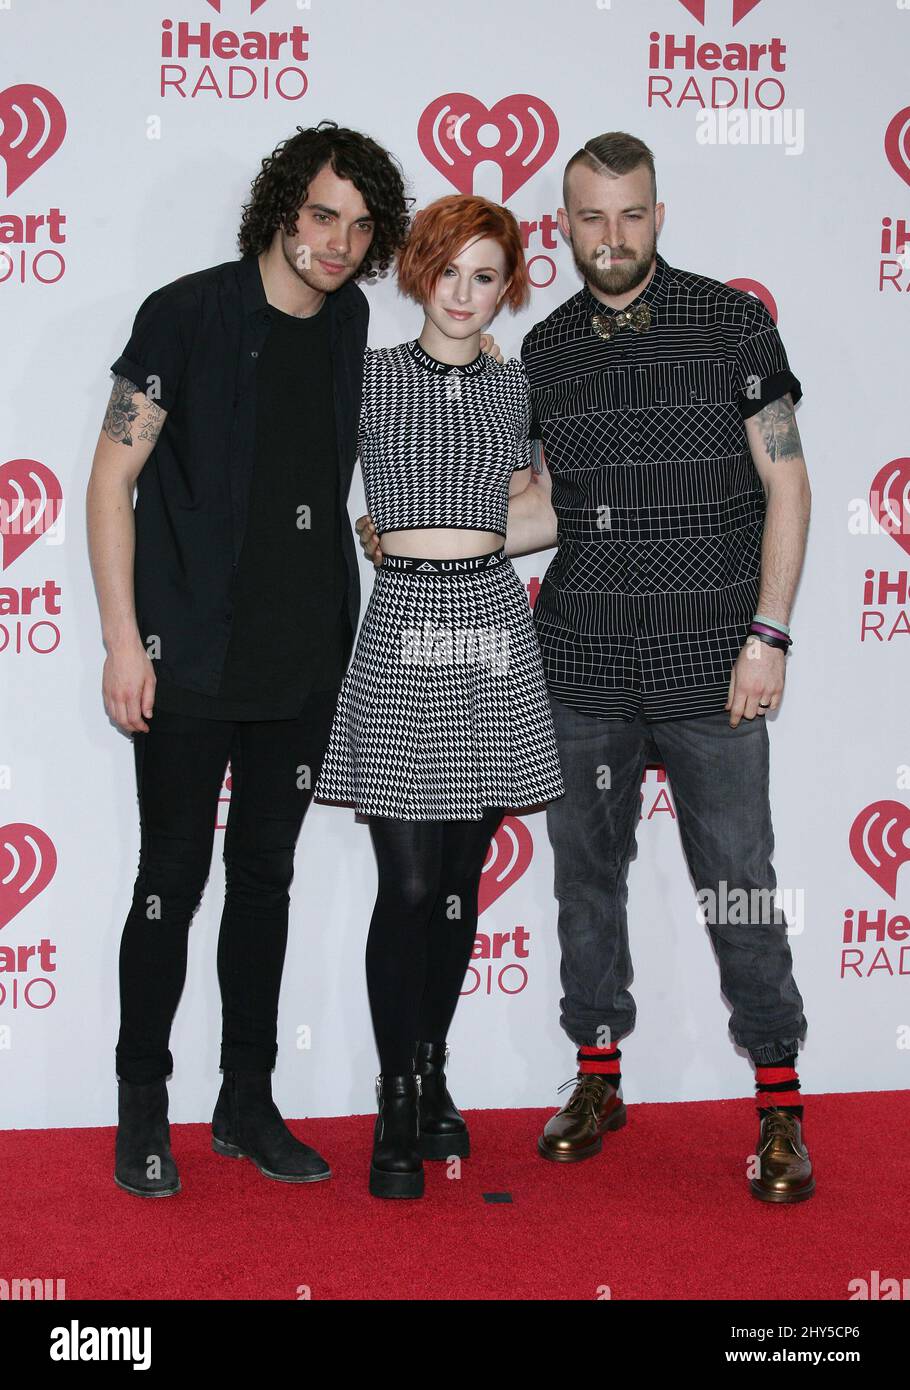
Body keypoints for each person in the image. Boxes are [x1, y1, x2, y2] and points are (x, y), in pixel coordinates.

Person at [360, 133, 814, 1204]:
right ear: (562, 226)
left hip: (715, 664)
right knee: (584, 884)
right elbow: (541, 507)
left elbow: (788, 485)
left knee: (740, 883)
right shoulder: (548, 352)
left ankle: (781, 1103)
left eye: (631, 214)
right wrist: (419, 534)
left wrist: (771, 633)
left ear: (660, 213)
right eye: (590, 218)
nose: (611, 237)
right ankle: (598, 1074)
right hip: (581, 662)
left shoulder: (732, 322)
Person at [86, 120, 412, 1197]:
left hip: (304, 663)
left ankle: (245, 1101)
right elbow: (108, 484)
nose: (339, 243)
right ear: (283, 206)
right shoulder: (182, 314)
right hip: (187, 657)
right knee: (167, 883)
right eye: (324, 215)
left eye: (361, 227)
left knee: (263, 884)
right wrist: (123, 641)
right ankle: (142, 1107)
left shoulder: (354, 317)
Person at [314, 193, 565, 1199]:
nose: (465, 294)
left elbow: (554, 503)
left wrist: (493, 535)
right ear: (418, 270)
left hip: (493, 630)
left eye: (485, 276)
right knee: (410, 885)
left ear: (506, 288)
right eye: (450, 271)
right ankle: (393, 1100)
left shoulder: (517, 393)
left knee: (460, 883)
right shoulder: (365, 378)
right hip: (402, 633)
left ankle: (429, 1073)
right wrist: (378, 537)